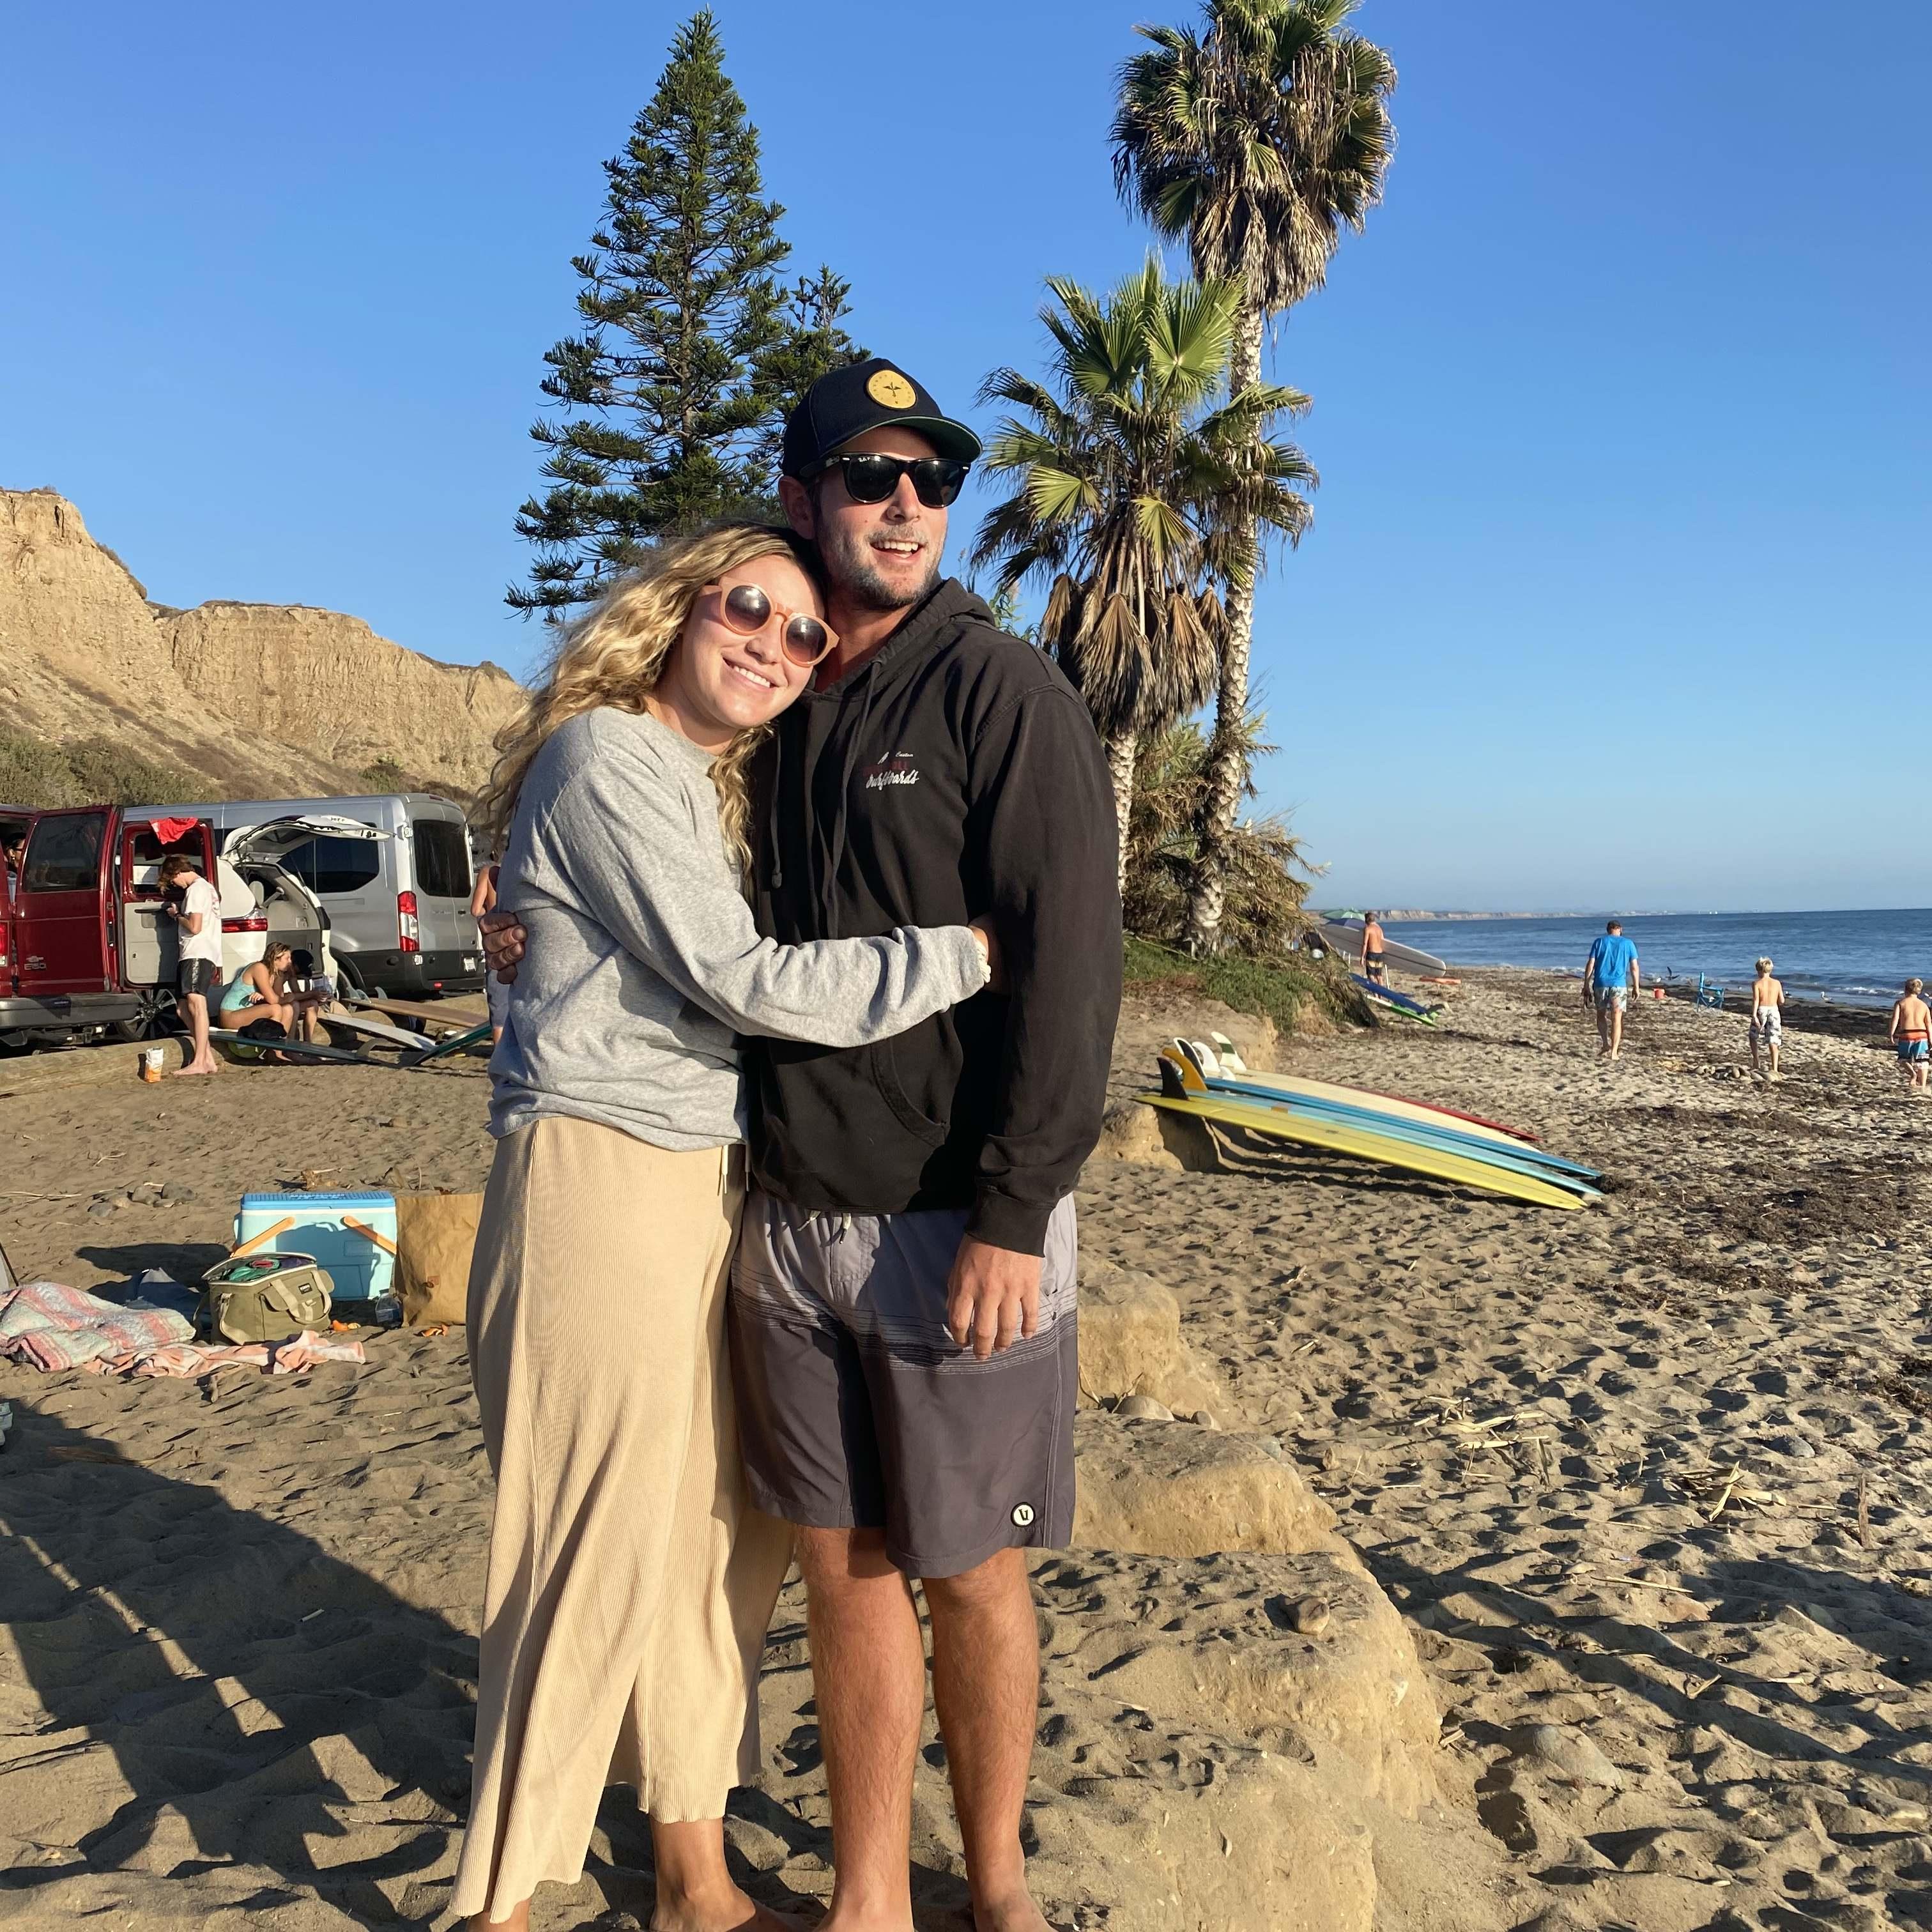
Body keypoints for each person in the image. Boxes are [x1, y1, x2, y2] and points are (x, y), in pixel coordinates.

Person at [486, 357, 1121, 1932]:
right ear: (802, 496)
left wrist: (1016, 1215)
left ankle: (999, 1885)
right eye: (865, 476)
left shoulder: (999, 691)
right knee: (832, 1563)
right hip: (771, 1209)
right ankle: (865, 1898)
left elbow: (1074, 962)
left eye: (931, 480)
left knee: (972, 1565)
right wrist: (524, 932)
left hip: (945, 1216)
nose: (903, 504)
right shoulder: (759, 725)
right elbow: (695, 939)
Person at [450, 519, 997, 1932]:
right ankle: (501, 1898)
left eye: (803, 632)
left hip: (699, 1178)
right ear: (677, 611)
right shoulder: (607, 757)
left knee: (716, 1535)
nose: (772, 641)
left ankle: (694, 1872)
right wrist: (964, 953)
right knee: (590, 1545)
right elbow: (736, 976)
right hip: (602, 1181)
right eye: (746, 608)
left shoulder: (696, 787)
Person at [159, 852, 223, 1076]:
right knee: (183, 1007)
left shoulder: (195, 890)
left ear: (177, 872)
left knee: (196, 1004)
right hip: (202, 952)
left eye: (171, 879)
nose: (173, 884)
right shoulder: (208, 888)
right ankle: (206, 1058)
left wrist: (177, 916)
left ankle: (199, 1061)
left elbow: (195, 927)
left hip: (197, 952)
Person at [1581, 918, 1640, 1062]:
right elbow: (1634, 967)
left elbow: (1591, 964)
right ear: (1620, 929)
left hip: (1601, 983)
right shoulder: (1628, 944)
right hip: (1618, 985)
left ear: (1608, 930)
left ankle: (1605, 1044)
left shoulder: (1599, 942)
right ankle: (1614, 1052)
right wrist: (1636, 987)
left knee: (1601, 1015)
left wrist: (1586, 984)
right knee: (1617, 1018)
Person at [468, 859, 508, 1046]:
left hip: (497, 941)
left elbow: (476, 910)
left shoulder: (487, 871)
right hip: (518, 937)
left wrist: (489, 911)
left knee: (498, 1008)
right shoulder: (516, 866)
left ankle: (500, 1055)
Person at [1890, 978, 1931, 1094]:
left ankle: (1913, 1074)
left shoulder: (1900, 1003)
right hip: (1922, 1035)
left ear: (1905, 990)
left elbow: (1895, 1019)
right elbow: (1929, 1024)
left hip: (1907, 1035)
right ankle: (1922, 1085)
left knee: (1903, 1059)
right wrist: (1931, 1039)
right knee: (1923, 1062)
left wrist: (1892, 1033)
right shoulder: (1924, 1006)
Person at [1749, 957, 1785, 1082]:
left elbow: (1756, 1000)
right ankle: (1775, 1068)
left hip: (1762, 1010)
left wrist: (1754, 1016)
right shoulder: (1777, 983)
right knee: (1773, 1041)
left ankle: (1756, 1062)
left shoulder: (1757, 984)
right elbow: (1782, 1001)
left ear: (1759, 970)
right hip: (1774, 1010)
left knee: (1753, 1036)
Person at [1360, 910, 1388, 985]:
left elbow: (1365, 943)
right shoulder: (1379, 929)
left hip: (1372, 954)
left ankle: (1375, 993)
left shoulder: (1368, 929)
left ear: (1367, 920)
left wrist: (1362, 957)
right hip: (1380, 954)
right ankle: (1381, 995)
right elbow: (1383, 940)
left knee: (1371, 975)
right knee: (1379, 976)